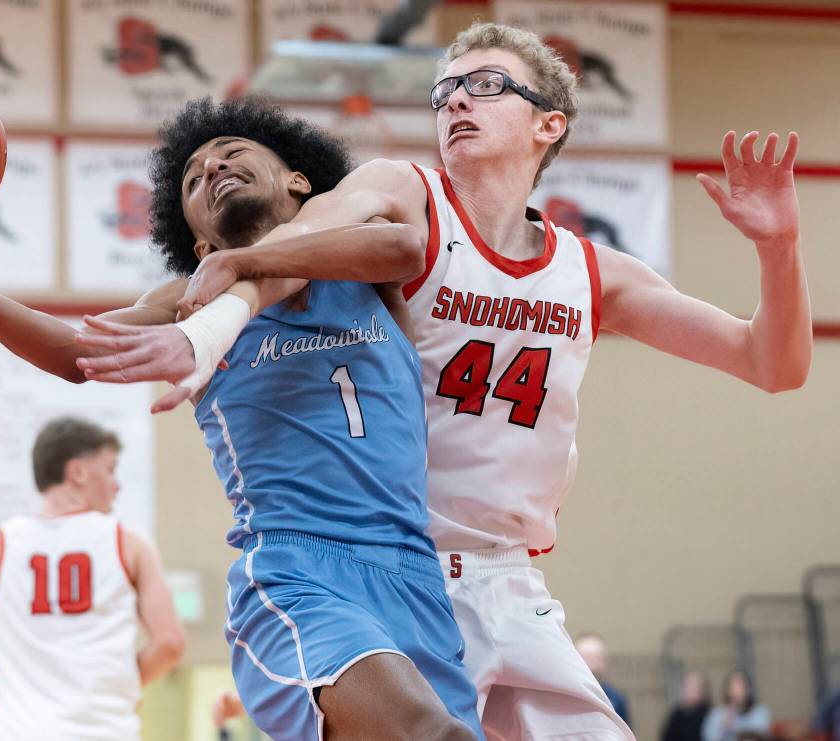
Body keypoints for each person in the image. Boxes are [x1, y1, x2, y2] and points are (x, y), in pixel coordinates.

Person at [83, 21, 811, 741]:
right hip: (393, 572)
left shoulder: (593, 272)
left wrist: (779, 250)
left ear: (547, 124)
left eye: (486, 85)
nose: (458, 101)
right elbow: (295, 243)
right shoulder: (401, 193)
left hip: (511, 580)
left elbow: (771, 363)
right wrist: (219, 302)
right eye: (445, 91)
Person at [0, 97, 481, 740]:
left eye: (232, 154)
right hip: (296, 572)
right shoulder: (188, 301)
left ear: (300, 181)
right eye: (193, 178)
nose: (213, 169)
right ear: (198, 240)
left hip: (411, 570)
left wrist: (250, 262)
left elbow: (403, 245)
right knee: (430, 732)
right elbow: (74, 353)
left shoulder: (363, 264)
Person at [0, 416, 185, 741]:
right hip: (108, 732)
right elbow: (170, 644)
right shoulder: (129, 544)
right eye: (110, 469)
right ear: (78, 472)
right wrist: (114, 680)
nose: (116, 485)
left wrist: (20, 665)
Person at [575, 633, 631, 727]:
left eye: (597, 657)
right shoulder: (565, 695)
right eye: (587, 657)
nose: (592, 664)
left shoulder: (616, 698)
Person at [702, 670, 771, 741]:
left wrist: (736, 726)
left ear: (749, 689)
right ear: (727, 690)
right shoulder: (717, 714)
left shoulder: (759, 711)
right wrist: (723, 727)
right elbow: (709, 737)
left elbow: (762, 734)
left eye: (742, 685)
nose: (739, 689)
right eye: (734, 685)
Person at [662, 670, 713, 741]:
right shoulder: (677, 714)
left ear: (701, 691)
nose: (685, 690)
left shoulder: (709, 715)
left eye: (690, 687)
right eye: (684, 686)